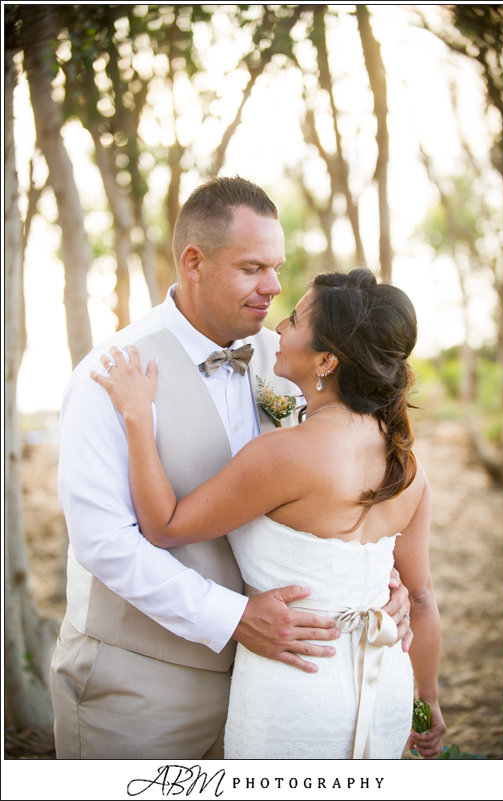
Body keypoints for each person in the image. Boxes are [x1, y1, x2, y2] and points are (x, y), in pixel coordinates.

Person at [51, 176, 411, 760]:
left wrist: (373, 583)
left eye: (276, 267)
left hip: (273, 689)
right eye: (251, 269)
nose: (273, 287)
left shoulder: (290, 358)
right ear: (194, 262)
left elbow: (340, 484)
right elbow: (103, 543)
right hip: (141, 689)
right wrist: (234, 617)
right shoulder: (110, 375)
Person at [91, 268, 446, 760]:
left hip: (295, 694)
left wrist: (135, 418)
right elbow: (421, 596)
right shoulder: (407, 464)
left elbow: (164, 526)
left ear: (326, 360)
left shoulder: (284, 454)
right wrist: (426, 705)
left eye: (296, 319)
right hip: (387, 690)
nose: (278, 326)